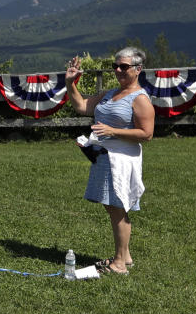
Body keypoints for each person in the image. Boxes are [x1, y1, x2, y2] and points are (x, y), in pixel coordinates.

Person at [65, 48, 155, 275]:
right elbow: (82, 107)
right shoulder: (109, 94)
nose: (118, 70)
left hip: (121, 160)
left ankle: (119, 264)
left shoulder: (140, 98)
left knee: (118, 208)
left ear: (137, 69)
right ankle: (125, 256)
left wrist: (112, 131)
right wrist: (70, 83)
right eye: (115, 66)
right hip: (104, 156)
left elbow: (147, 133)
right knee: (111, 205)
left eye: (123, 67)